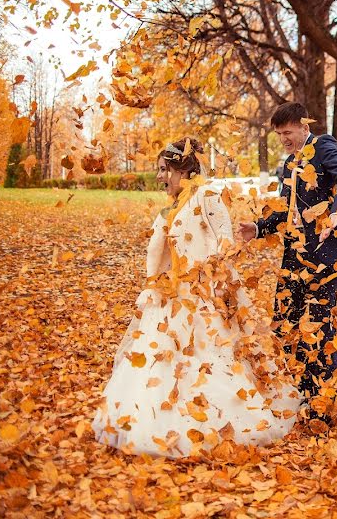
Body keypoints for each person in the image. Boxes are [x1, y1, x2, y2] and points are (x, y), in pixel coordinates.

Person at [93, 137, 300, 457]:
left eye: (164, 170)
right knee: (164, 361)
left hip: (206, 294)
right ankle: (160, 422)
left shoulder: (206, 195)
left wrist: (212, 276)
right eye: (158, 170)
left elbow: (225, 240)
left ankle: (217, 421)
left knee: (211, 359)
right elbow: (159, 253)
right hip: (173, 297)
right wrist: (152, 286)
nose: (160, 177)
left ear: (183, 168)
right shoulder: (169, 209)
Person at [238, 102, 337, 426]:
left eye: (287, 132)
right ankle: (299, 394)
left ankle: (323, 406)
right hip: (294, 255)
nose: (283, 139)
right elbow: (285, 209)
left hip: (326, 252)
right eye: (279, 134)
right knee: (286, 322)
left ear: (304, 127)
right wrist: (258, 228)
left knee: (318, 327)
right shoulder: (288, 165)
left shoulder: (322, 146)